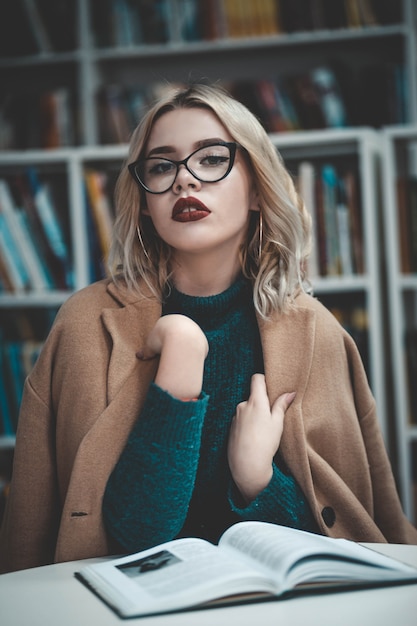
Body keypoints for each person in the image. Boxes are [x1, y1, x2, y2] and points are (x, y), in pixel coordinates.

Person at [1, 83, 416, 574]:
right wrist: (181, 357)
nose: (184, 182)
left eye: (212, 159)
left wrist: (256, 478)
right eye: (161, 166)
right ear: (145, 201)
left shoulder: (317, 334)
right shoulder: (83, 325)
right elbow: (133, 535)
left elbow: (337, 544)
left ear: (258, 188)